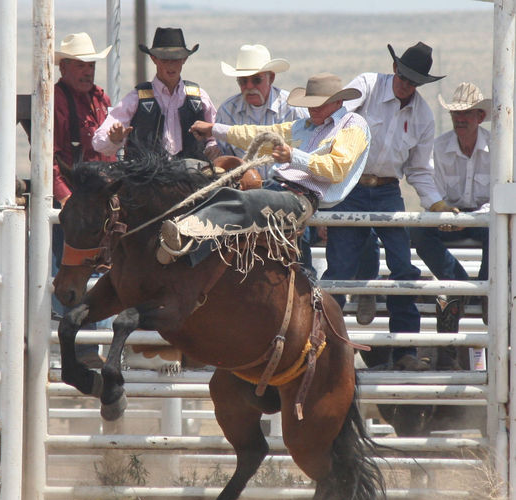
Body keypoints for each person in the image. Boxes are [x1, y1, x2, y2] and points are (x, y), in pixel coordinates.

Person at [161, 73, 370, 268]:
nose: (312, 109)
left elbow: (337, 168)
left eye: (318, 104)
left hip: (302, 197)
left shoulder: (353, 125)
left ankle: (187, 250)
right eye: (310, 104)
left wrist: (293, 156)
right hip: (277, 187)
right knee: (223, 191)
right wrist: (214, 129)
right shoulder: (304, 125)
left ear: (338, 102)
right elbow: (261, 133)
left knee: (246, 201)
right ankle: (185, 239)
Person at [322, 41, 445, 371]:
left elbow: (420, 168)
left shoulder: (422, 115)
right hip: (349, 186)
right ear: (395, 69)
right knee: (340, 269)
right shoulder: (366, 85)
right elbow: (337, 113)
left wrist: (436, 203)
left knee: (403, 268)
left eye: (414, 80)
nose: (407, 84)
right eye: (405, 76)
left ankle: (405, 347)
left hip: (388, 191)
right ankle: (327, 345)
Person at [411, 82, 490, 368]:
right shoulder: (439, 148)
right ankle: (464, 284)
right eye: (457, 112)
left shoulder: (497, 148)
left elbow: (502, 194)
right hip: (450, 214)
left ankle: (479, 287)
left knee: (498, 230)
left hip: (482, 217)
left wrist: (471, 217)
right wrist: (446, 214)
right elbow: (434, 191)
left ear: (479, 117)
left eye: (466, 112)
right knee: (418, 232)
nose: (460, 118)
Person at [53, 32, 115, 368]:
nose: (87, 70)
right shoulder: (58, 101)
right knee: (71, 273)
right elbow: (49, 159)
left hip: (96, 205)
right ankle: (78, 345)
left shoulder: (100, 100)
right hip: (76, 205)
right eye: (80, 64)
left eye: (90, 64)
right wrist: (64, 198)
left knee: (101, 271)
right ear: (64, 68)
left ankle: (93, 346)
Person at [92, 27, 219, 161]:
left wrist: (213, 146)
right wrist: (113, 139)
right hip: (144, 178)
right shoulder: (135, 99)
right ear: (154, 59)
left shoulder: (199, 98)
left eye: (176, 59)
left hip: (193, 176)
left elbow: (216, 135)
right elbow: (99, 143)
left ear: (184, 59)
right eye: (165, 60)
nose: (171, 66)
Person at [216, 44, 308, 175]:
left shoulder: (292, 109)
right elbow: (223, 157)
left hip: (285, 189)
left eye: (256, 80)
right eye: (243, 81)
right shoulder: (226, 112)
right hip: (242, 189)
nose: (249, 86)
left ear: (271, 78)